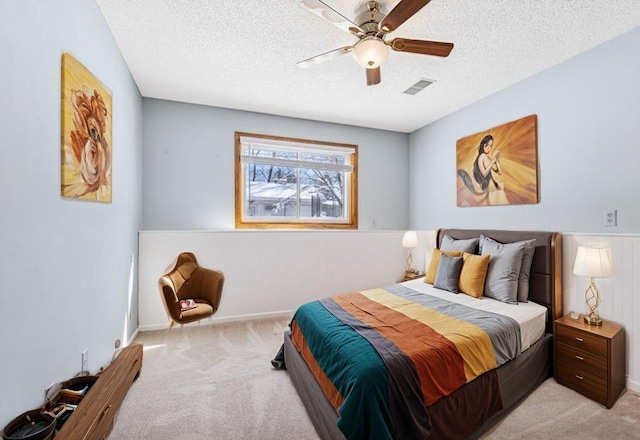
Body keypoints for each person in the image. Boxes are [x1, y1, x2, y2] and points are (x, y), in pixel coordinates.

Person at [472, 134, 509, 204]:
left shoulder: (487, 158)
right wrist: (493, 161)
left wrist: (497, 159)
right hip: (488, 186)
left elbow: (499, 172)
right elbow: (484, 174)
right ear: (482, 145)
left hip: (493, 186)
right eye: (487, 145)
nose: (489, 148)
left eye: (491, 146)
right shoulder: (481, 157)